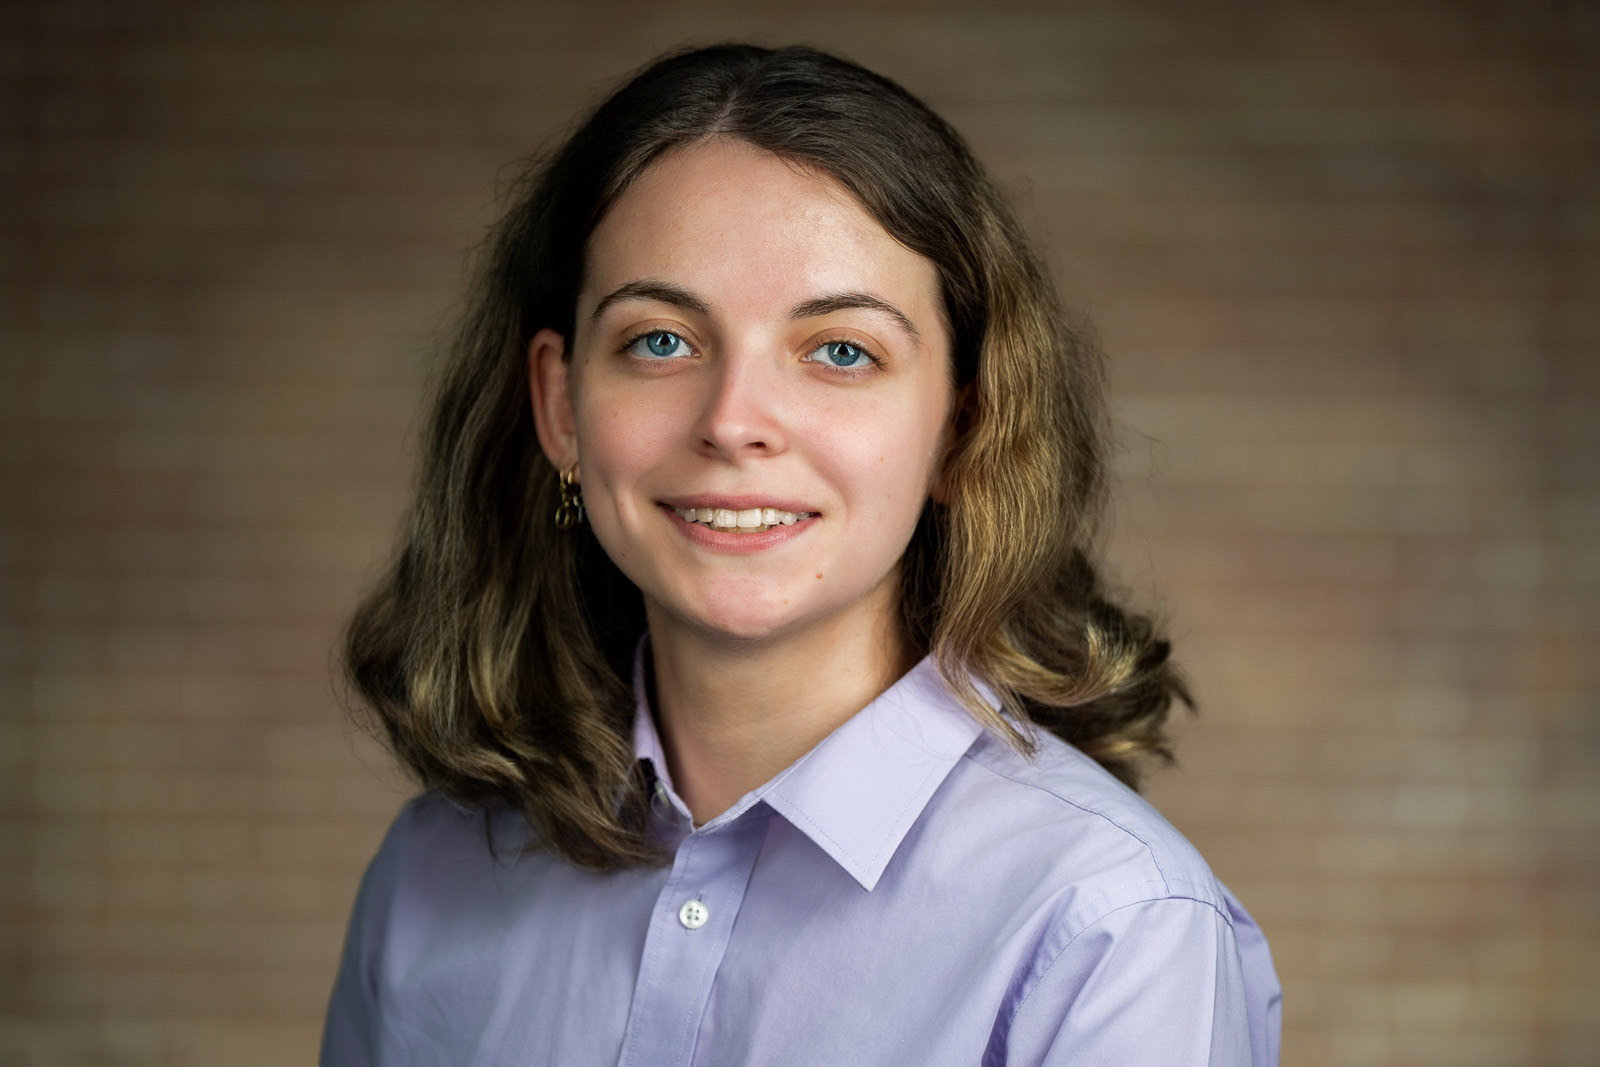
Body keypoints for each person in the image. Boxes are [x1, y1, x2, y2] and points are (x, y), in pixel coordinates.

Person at [321, 42, 1281, 1067]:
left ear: (962, 427)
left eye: (839, 351)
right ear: (559, 404)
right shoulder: (427, 879)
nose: (733, 423)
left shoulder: (1110, 926)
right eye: (659, 340)